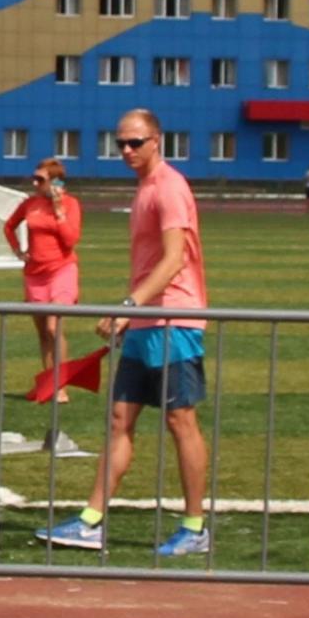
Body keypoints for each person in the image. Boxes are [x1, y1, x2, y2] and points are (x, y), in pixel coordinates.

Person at [38, 110, 211, 557]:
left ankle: (195, 526)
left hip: (175, 320)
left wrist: (127, 308)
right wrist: (130, 313)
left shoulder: (170, 187)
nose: (127, 151)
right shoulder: (145, 189)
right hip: (145, 321)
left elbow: (174, 260)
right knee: (119, 420)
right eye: (121, 144)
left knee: (181, 421)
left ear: (157, 140)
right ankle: (91, 520)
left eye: (136, 142)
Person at [2, 159, 83, 401]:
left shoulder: (71, 204)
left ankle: (61, 385)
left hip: (61, 270)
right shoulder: (30, 203)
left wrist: (59, 212)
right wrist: (19, 250)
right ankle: (49, 383)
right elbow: (9, 226)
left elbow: (70, 240)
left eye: (41, 179)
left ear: (56, 182)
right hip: (34, 273)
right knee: (42, 333)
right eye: (34, 179)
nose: (35, 183)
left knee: (53, 327)